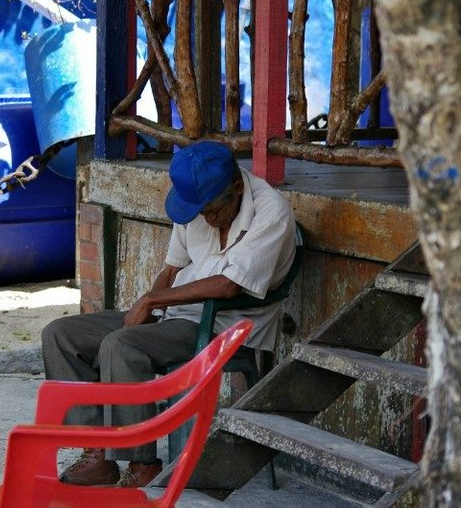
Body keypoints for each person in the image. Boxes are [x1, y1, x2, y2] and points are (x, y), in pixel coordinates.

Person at [41, 141, 296, 488]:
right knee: (60, 334)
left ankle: (142, 463)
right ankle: (98, 450)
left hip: (222, 325)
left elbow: (227, 287)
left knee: (121, 346)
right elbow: (172, 269)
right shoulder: (197, 201)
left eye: (211, 211)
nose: (205, 218)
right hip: (173, 314)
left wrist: (152, 300)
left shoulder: (272, 214)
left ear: (236, 188)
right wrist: (152, 302)